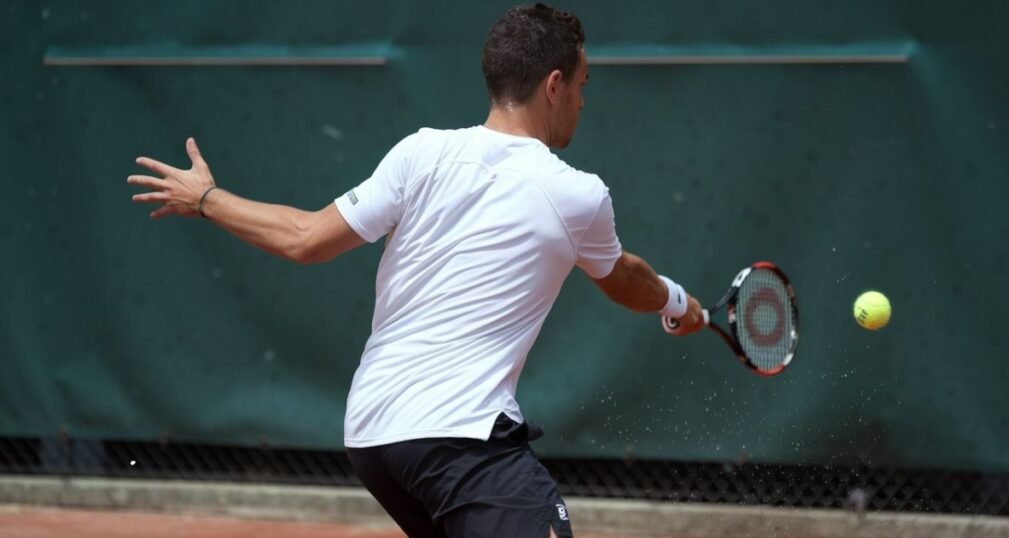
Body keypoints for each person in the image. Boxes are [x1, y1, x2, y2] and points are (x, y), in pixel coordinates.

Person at [128, 4, 704, 537]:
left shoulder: (419, 153)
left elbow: (303, 238)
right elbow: (624, 278)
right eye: (580, 87)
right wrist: (678, 304)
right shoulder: (578, 194)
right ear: (553, 86)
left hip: (374, 436)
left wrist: (207, 198)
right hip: (462, 437)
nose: (582, 101)